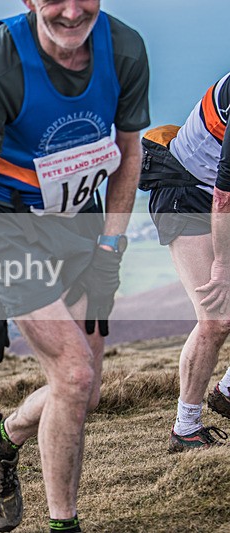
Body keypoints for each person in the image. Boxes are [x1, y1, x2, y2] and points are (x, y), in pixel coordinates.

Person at [0, 1, 149, 531]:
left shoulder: (123, 49)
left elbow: (130, 155)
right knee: (75, 373)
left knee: (86, 389)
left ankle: (0, 437)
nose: (71, 10)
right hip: (5, 225)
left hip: (77, 221)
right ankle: (64, 524)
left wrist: (110, 252)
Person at [139, 72, 230, 452]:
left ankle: (227, 392)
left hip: (212, 195)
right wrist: (223, 268)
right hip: (187, 194)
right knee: (217, 318)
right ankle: (185, 428)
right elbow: (224, 196)